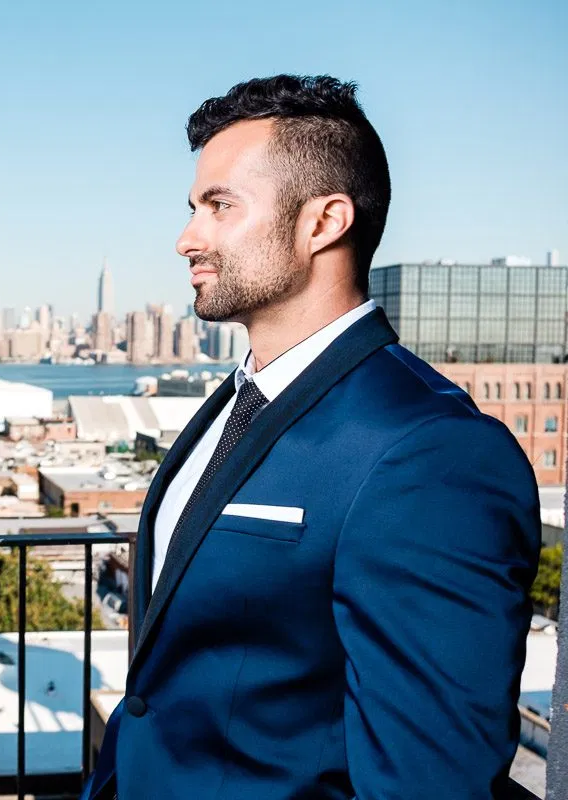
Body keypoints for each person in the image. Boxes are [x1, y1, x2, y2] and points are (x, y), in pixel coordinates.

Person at [84, 76, 541, 799]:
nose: (186, 239)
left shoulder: (432, 453)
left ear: (324, 222)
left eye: (220, 206)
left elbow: (430, 780)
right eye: (193, 208)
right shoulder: (234, 403)